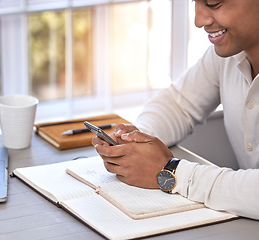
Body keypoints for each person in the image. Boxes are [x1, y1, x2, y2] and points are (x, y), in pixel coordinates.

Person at [92, 0, 259, 220]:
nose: (199, 20)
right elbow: (178, 104)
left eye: (213, 3)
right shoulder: (229, 55)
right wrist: (135, 140)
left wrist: (171, 172)